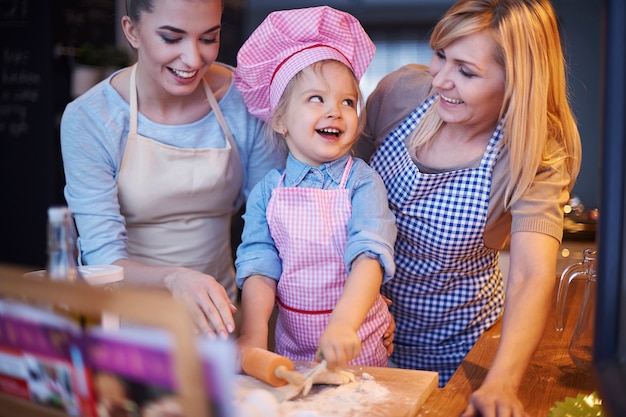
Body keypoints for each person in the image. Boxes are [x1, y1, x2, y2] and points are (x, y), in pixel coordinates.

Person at [355, 0, 582, 415]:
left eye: (466, 71)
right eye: (440, 55)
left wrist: (500, 382)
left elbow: (531, 275)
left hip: (461, 347)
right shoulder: (399, 94)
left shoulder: (531, 156)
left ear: (517, 81)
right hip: (363, 333)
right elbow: (337, 194)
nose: (440, 80)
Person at [60, 0, 282, 337]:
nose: (193, 60)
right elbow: (103, 260)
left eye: (208, 38)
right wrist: (174, 277)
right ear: (131, 31)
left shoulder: (245, 98)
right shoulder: (90, 119)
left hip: (222, 323)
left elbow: (275, 225)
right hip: (124, 331)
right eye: (171, 38)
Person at [233, 6, 397, 369]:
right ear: (280, 119)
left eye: (348, 101)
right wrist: (253, 334)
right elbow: (260, 266)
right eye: (316, 99)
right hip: (291, 350)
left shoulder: (362, 182)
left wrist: (343, 325)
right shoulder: (267, 192)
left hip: (358, 344)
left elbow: (369, 256)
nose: (335, 111)